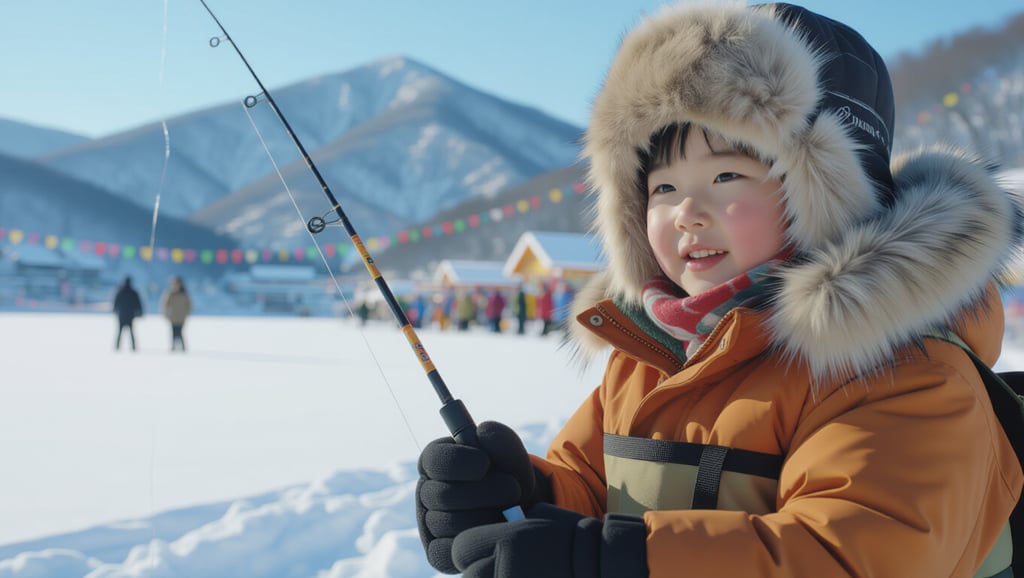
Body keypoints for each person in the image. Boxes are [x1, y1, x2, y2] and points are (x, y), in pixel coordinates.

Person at [414, 4, 1024, 578]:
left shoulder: (906, 369)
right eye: (662, 188)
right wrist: (523, 498)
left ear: (829, 198)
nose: (686, 212)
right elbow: (599, 489)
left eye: (727, 174)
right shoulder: (653, 351)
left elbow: (848, 553)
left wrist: (616, 561)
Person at [161, 276, 192, 352]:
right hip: (173, 316)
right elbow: (165, 304)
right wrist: (166, 313)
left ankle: (183, 348)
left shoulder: (184, 294)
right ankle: (173, 347)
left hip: (181, 317)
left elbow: (189, 305)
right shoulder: (170, 293)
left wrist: (186, 313)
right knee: (173, 332)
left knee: (180, 332)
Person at [112, 276, 142, 351]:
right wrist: (140, 312)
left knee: (120, 331)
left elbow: (116, 302)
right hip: (130, 315)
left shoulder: (120, 291)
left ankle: (117, 346)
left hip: (122, 315)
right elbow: (138, 303)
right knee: (131, 331)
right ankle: (133, 346)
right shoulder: (133, 292)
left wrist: (115, 309)